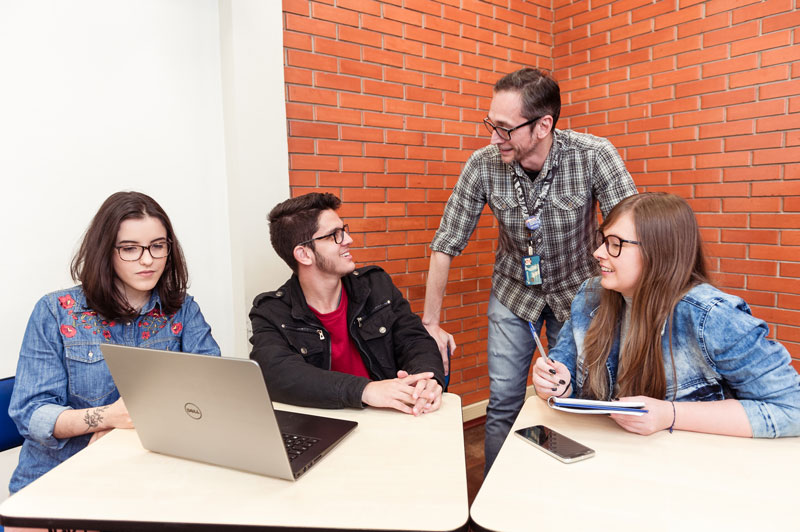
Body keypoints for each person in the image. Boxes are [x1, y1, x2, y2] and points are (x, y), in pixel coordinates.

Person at [423, 67, 637, 471]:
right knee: (503, 401)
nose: (493, 138)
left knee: (572, 398)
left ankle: (559, 493)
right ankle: (494, 503)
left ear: (543, 125)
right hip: (513, 294)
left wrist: (634, 307)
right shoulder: (484, 164)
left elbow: (632, 230)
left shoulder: (593, 155)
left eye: (504, 129)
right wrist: (431, 323)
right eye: (491, 125)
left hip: (579, 294)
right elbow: (445, 243)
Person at [533, 192, 800, 437]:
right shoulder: (589, 296)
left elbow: (792, 409)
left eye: (615, 244)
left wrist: (669, 415)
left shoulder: (711, 315)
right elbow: (564, 373)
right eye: (602, 240)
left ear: (657, 252)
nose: (598, 253)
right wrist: (557, 384)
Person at [9, 191, 220, 494]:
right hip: (60, 482)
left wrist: (124, 428)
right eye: (130, 249)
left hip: (152, 477)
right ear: (105, 251)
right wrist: (106, 418)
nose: (147, 259)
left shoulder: (184, 311)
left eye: (157, 246)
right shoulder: (55, 312)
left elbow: (211, 394)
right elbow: (31, 414)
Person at [249, 192, 444, 416]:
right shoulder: (271, 312)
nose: (348, 240)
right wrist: (365, 390)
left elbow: (415, 340)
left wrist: (427, 379)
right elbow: (277, 374)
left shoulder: (376, 285)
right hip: (324, 428)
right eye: (335, 235)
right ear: (304, 254)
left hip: (389, 420)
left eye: (344, 230)